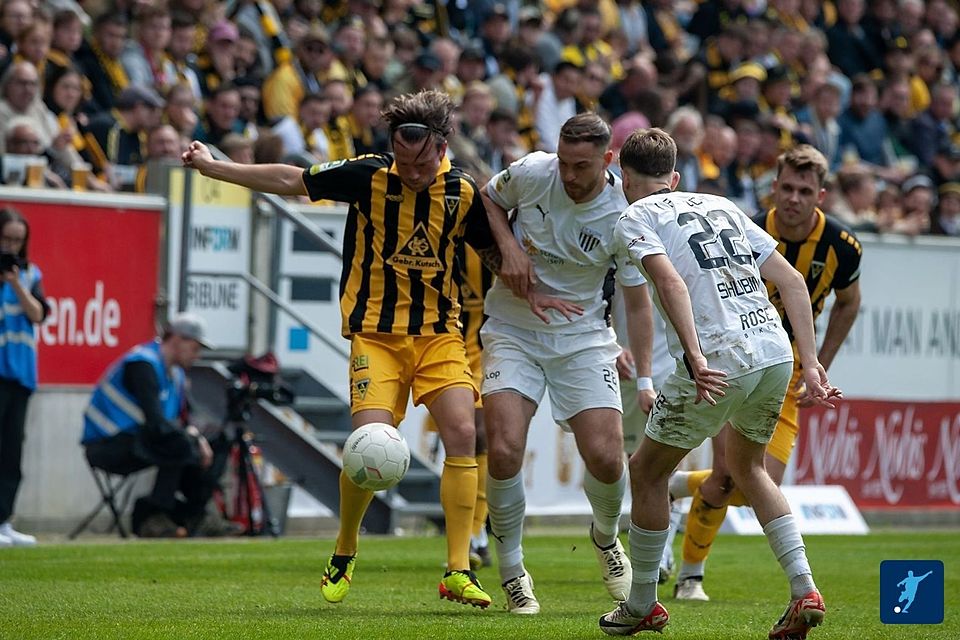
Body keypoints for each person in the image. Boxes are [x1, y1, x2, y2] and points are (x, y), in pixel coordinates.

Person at [181, 89, 495, 608]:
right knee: (369, 444)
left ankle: (458, 569)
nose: (411, 172)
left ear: (442, 146)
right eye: (402, 159)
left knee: (463, 433)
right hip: (376, 332)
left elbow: (497, 240)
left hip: (441, 332)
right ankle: (345, 549)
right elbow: (291, 179)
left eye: (421, 163)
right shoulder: (368, 175)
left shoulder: (463, 191)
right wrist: (217, 170)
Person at [598, 128, 838, 639]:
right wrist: (812, 364)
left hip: (719, 355)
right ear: (676, 177)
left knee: (645, 472)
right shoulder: (723, 204)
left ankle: (642, 603)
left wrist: (694, 354)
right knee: (750, 468)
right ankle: (805, 591)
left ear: (621, 177)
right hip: (774, 350)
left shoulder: (634, 216)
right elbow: (793, 282)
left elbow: (670, 282)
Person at [479, 113, 657, 613]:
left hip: (582, 337)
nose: (569, 175)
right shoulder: (535, 172)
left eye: (581, 166)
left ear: (607, 160)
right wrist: (510, 249)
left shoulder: (625, 213)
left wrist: (642, 374)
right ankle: (512, 569)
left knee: (605, 457)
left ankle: (604, 537)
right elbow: (487, 199)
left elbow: (637, 300)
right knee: (506, 448)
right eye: (564, 162)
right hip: (513, 328)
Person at [670, 144, 863, 602]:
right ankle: (690, 577)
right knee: (727, 474)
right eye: (787, 188)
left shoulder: (841, 247)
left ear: (821, 194)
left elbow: (850, 304)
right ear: (774, 188)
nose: (794, 198)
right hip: (736, 357)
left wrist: (821, 363)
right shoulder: (743, 227)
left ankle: (673, 484)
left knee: (750, 485)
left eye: (804, 190)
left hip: (787, 370)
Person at [81, 313, 240, 538]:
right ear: (176, 340)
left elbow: (184, 421)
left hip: (141, 441)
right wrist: (193, 438)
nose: (197, 356)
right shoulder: (142, 364)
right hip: (108, 446)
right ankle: (153, 517)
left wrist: (199, 437)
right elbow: (157, 424)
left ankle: (196, 515)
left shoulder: (175, 375)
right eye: (195, 348)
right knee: (179, 443)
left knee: (219, 442)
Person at [0, 207, 48, 547]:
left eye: (18, 241)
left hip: (19, 374)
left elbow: (39, 314)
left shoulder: (30, 274)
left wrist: (16, 284)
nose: (11, 247)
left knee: (11, 451)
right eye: (6, 239)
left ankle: (3, 520)